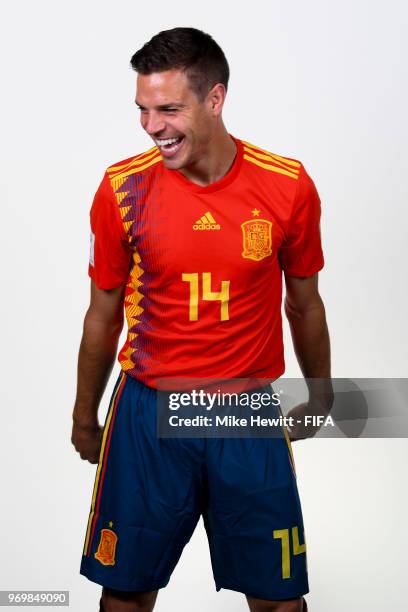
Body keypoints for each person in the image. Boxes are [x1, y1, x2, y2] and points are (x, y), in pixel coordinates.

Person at [71, 27, 333, 612]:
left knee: (278, 599)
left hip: (244, 413)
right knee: (127, 593)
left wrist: (321, 393)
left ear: (215, 99)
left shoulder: (286, 186)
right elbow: (102, 313)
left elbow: (305, 302)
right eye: (142, 110)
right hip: (147, 410)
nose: (151, 126)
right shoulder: (123, 188)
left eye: (168, 109)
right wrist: (84, 415)